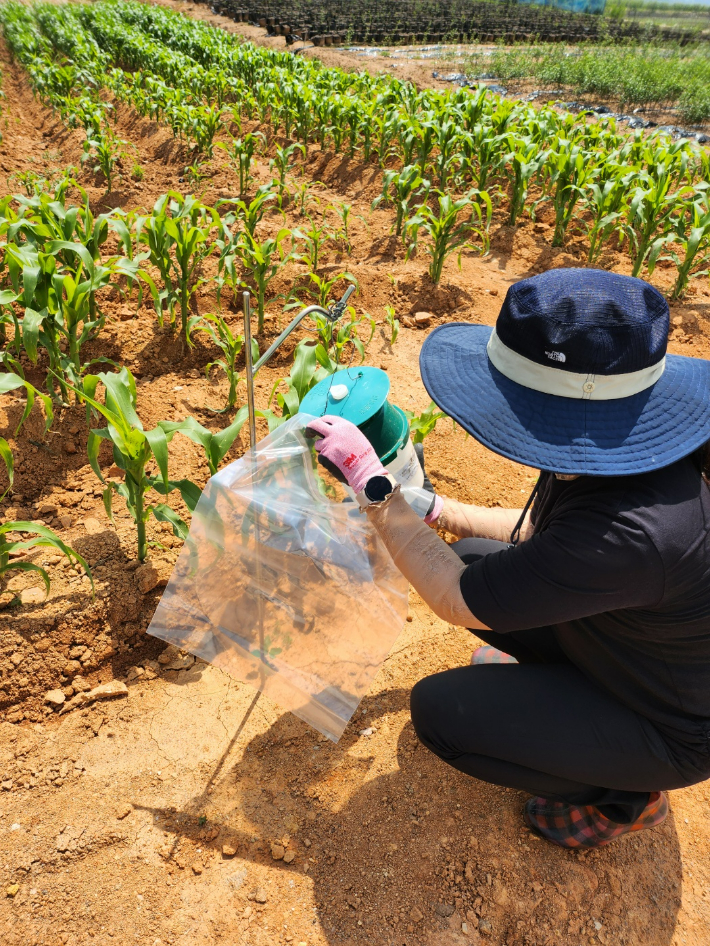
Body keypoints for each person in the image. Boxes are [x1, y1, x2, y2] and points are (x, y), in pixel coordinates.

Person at [305, 268, 710, 850]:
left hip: (670, 722)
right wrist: (439, 509)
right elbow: (546, 534)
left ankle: (625, 797)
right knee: (472, 555)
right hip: (634, 646)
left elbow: (454, 599)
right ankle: (563, 691)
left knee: (442, 714)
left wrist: (375, 486)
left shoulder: (631, 533)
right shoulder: (627, 447)